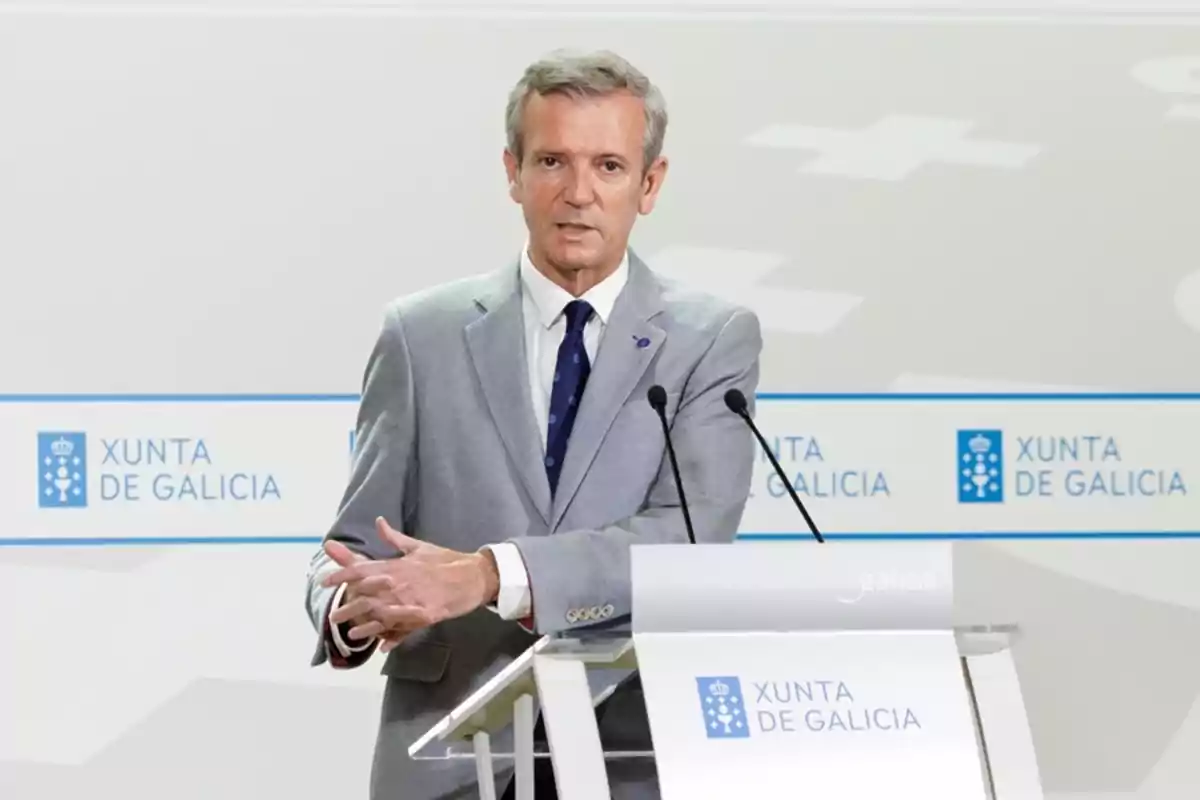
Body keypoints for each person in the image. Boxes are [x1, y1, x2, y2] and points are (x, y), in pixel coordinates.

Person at [304, 48, 762, 799]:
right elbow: (350, 547)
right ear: (512, 172)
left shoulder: (710, 340)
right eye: (552, 161)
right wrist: (354, 608)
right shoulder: (421, 335)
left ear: (649, 185)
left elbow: (690, 538)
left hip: (632, 752)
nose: (578, 193)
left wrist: (489, 575)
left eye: (609, 167)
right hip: (448, 757)